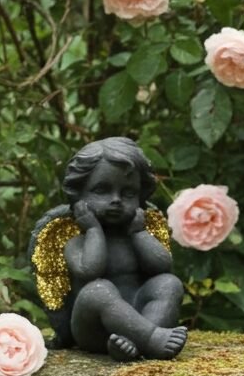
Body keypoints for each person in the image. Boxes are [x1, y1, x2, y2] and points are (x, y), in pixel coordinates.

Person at [58, 137, 186, 360]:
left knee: (169, 283)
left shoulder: (136, 235)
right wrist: (93, 230)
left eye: (128, 193)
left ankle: (134, 340)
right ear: (79, 196)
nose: (116, 200)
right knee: (98, 290)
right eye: (101, 190)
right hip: (94, 330)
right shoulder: (75, 242)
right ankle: (151, 338)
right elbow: (91, 270)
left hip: (138, 315)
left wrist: (139, 233)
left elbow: (162, 266)